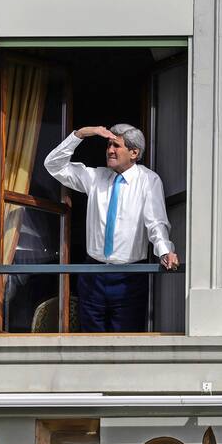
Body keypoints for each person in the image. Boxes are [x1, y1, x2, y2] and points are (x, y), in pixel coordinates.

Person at [44, 124, 179, 332]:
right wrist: (80, 134)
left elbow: (156, 222)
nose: (110, 150)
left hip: (129, 277)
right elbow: (53, 165)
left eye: (116, 145)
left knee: (125, 344)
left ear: (134, 153)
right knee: (89, 343)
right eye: (108, 144)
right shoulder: (96, 177)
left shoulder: (148, 180)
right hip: (93, 275)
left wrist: (165, 251)